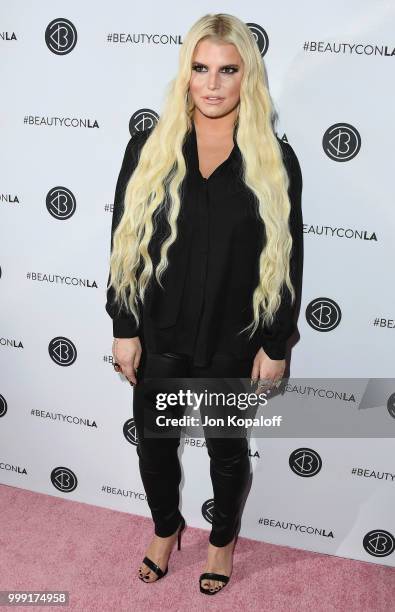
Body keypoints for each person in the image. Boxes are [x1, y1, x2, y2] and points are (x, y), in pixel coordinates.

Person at [105, 13, 303, 595]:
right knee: (156, 448)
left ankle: (221, 541)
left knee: (226, 450)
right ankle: (166, 528)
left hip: (231, 338)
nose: (212, 83)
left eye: (227, 70)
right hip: (161, 332)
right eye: (200, 68)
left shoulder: (275, 161)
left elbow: (288, 260)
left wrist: (275, 341)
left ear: (249, 78)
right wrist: (124, 325)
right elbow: (123, 243)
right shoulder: (149, 149)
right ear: (185, 73)